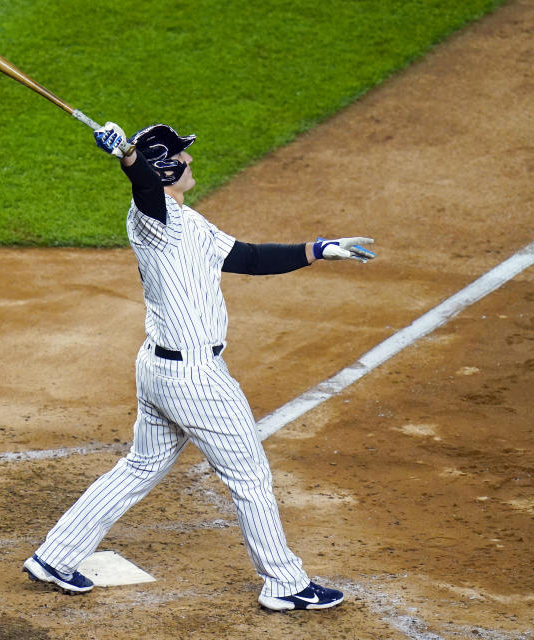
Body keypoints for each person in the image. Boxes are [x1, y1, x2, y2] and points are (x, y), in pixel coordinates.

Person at [23, 122, 376, 611]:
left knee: (141, 467)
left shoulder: (189, 221)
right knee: (250, 478)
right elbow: (144, 187)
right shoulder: (154, 218)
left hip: (160, 370)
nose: (191, 161)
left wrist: (318, 249)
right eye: (181, 157)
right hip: (194, 379)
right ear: (166, 167)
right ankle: (284, 583)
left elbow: (249, 257)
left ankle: (55, 556)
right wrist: (127, 157)